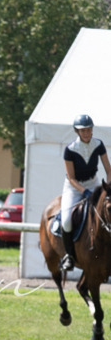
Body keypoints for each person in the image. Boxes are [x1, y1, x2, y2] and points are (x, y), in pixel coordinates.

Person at [60, 114, 111, 271]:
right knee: (66, 220)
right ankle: (69, 255)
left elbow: (109, 170)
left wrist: (108, 187)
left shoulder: (98, 144)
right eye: (83, 130)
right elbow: (71, 178)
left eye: (88, 129)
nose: (86, 133)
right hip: (74, 187)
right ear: (77, 131)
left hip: (93, 182)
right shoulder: (70, 149)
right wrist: (85, 192)